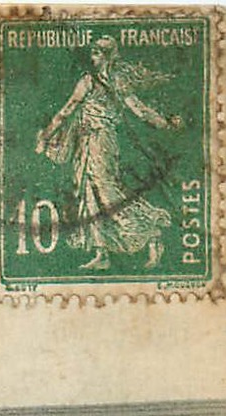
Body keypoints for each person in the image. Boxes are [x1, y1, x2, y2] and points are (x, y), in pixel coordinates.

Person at [35, 36, 182, 271]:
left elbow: (139, 109)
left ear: (107, 56)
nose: (93, 57)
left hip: (103, 141)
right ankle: (101, 253)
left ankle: (151, 230)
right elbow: (66, 111)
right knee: (88, 194)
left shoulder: (116, 81)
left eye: (97, 53)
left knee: (107, 192)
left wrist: (164, 123)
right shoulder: (87, 81)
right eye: (92, 53)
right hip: (84, 142)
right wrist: (47, 134)